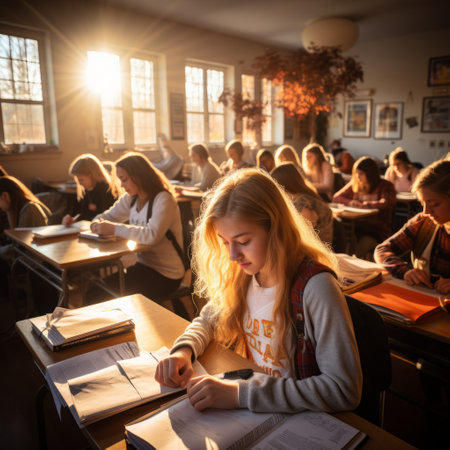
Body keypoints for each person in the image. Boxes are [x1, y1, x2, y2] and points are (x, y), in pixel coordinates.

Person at [155, 169, 362, 413]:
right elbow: (208, 320)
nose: (233, 255)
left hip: (297, 421)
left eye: (243, 242)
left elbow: (343, 390)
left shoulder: (315, 288)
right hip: (256, 409)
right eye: (225, 242)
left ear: (276, 230)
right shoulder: (246, 275)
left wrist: (242, 394)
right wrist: (184, 350)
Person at [88, 152, 185, 300]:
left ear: (139, 177)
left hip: (167, 274)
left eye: (124, 179)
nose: (122, 185)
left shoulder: (163, 199)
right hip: (143, 266)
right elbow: (108, 215)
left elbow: (152, 235)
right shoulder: (131, 198)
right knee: (95, 291)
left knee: (100, 295)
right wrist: (96, 222)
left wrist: (113, 229)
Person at [374, 159, 450, 295]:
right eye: (423, 203)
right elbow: (383, 249)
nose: (426, 212)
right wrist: (405, 271)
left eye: (434, 204)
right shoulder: (424, 222)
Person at [333, 156, 397, 259]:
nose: (358, 177)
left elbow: (386, 203)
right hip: (356, 227)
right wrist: (350, 202)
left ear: (371, 174)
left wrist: (363, 205)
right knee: (339, 234)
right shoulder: (355, 185)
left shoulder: (386, 185)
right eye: (356, 173)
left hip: (376, 230)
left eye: (361, 174)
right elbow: (336, 198)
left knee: (358, 248)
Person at [271, 163, 333, 244]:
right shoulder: (301, 198)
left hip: (315, 251)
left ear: (282, 184)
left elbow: (305, 234)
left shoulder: (303, 202)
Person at [62, 153, 120, 226]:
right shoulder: (86, 190)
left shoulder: (106, 190)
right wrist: (72, 219)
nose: (79, 183)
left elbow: (107, 218)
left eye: (81, 180)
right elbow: (83, 214)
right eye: (77, 180)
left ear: (91, 175)